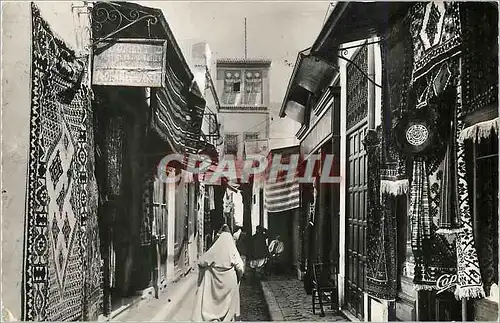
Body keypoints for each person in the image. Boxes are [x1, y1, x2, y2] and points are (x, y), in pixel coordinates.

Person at [192, 224, 245, 322]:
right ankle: (227, 319)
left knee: (213, 301)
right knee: (229, 302)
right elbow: (240, 267)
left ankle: (213, 318)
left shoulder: (215, 248)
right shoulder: (232, 249)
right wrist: (239, 276)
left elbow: (202, 262)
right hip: (229, 281)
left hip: (214, 281)